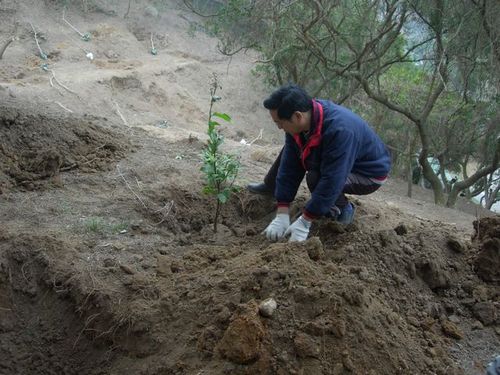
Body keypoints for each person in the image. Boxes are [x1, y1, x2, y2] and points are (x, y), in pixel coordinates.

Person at [249, 84, 391, 242]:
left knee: (316, 178)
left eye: (280, 123)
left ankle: (344, 209)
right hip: (339, 160)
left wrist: (305, 220)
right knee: (291, 152)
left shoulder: (340, 130)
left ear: (297, 116)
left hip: (368, 173)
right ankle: (271, 186)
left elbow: (332, 178)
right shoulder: (303, 119)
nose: (279, 127)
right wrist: (282, 210)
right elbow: (290, 165)